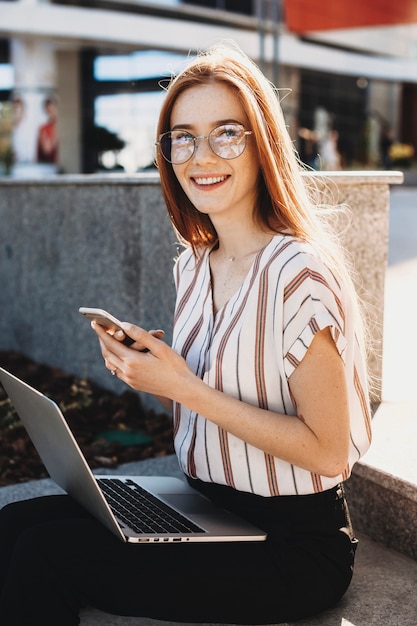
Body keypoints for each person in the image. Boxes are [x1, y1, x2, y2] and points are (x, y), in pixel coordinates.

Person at [0, 42, 372, 625]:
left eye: (227, 133)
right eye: (183, 136)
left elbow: (328, 449)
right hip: (206, 507)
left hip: (292, 545)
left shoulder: (297, 273)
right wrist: (152, 365)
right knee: (14, 526)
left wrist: (184, 389)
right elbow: (222, 384)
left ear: (263, 144)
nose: (203, 155)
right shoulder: (193, 263)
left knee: (48, 555)